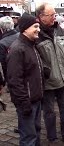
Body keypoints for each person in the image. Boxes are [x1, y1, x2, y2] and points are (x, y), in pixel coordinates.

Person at [35, 3, 64, 145]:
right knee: (49, 112)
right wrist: (45, 71)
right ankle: (52, 138)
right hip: (48, 82)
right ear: (41, 17)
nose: (55, 17)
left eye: (55, 14)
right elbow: (34, 58)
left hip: (63, 78)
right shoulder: (36, 34)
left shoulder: (58, 30)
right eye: (52, 15)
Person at [6, 13, 43, 146]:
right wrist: (23, 103)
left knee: (36, 132)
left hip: (35, 99)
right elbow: (14, 81)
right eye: (35, 26)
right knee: (29, 137)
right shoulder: (17, 49)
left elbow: (32, 69)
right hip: (26, 102)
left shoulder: (31, 45)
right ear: (25, 29)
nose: (38, 29)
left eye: (38, 26)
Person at [0, 16, 19, 90]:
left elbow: (3, 64)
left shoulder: (2, 43)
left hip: (12, 75)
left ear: (2, 29)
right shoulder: (21, 35)